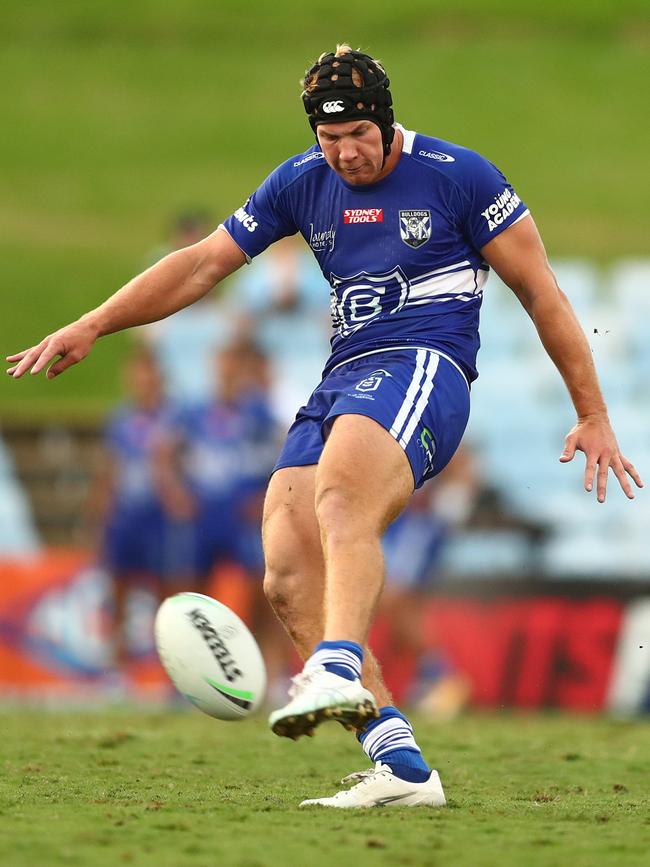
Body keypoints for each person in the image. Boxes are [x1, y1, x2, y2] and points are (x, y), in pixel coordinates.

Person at [6, 45, 643, 809]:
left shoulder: (459, 175)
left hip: (426, 365)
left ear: (386, 120)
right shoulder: (302, 181)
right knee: (284, 561)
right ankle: (400, 763)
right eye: (329, 139)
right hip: (346, 375)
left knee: (341, 495)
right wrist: (94, 323)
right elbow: (203, 263)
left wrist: (595, 411)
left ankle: (336, 662)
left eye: (358, 137)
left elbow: (541, 292)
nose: (345, 154)